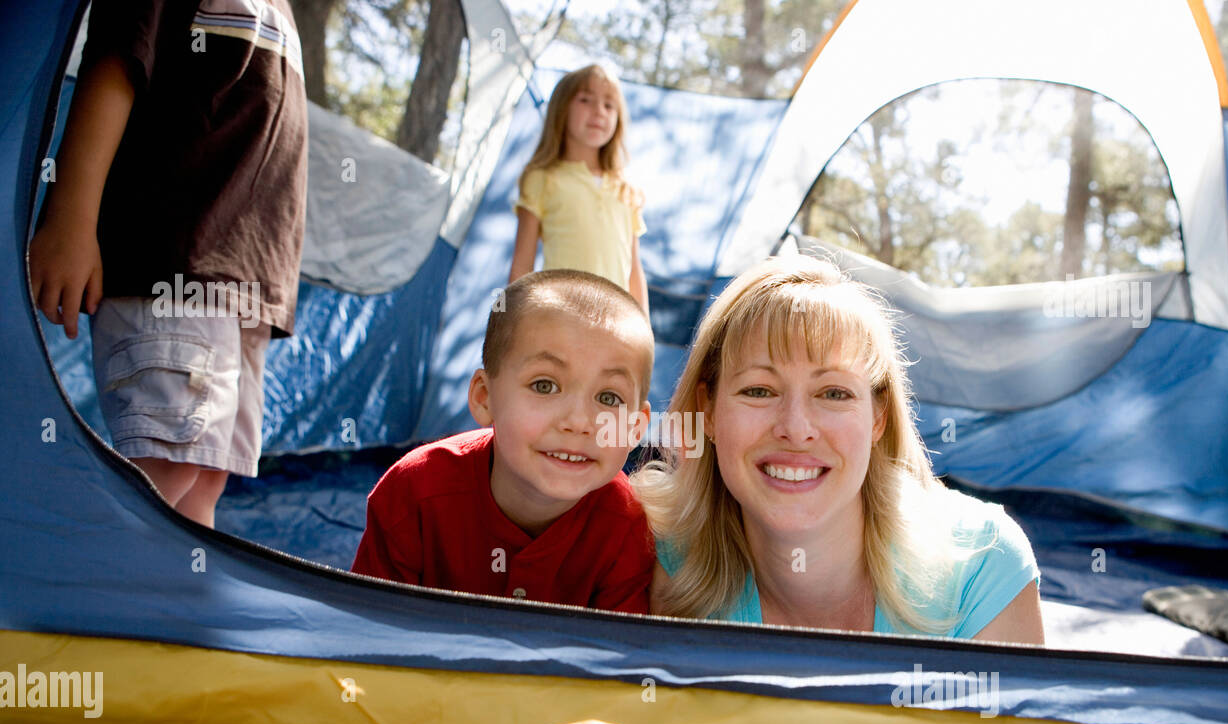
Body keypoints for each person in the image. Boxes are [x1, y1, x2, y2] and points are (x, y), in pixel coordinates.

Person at [632, 255, 1045, 644]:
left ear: (878, 418)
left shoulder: (983, 568)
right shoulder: (658, 554)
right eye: (759, 390)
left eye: (833, 393)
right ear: (708, 412)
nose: (795, 428)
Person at [27, 0, 308, 528]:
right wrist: (71, 217)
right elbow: (119, 58)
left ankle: (173, 607)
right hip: (175, 268)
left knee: (204, 480)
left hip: (243, 289)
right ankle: (63, 594)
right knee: (163, 470)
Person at [352, 270, 657, 613]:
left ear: (635, 428)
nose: (579, 422)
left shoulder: (631, 527)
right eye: (545, 385)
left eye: (609, 398)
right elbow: (367, 632)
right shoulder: (412, 493)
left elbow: (620, 658)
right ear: (485, 397)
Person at [509, 64, 650, 315]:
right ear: (561, 110)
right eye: (585, 100)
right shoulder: (542, 178)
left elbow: (634, 273)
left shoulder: (626, 190)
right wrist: (513, 323)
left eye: (609, 105)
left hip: (613, 322)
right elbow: (522, 266)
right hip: (560, 316)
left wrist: (643, 330)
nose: (599, 112)